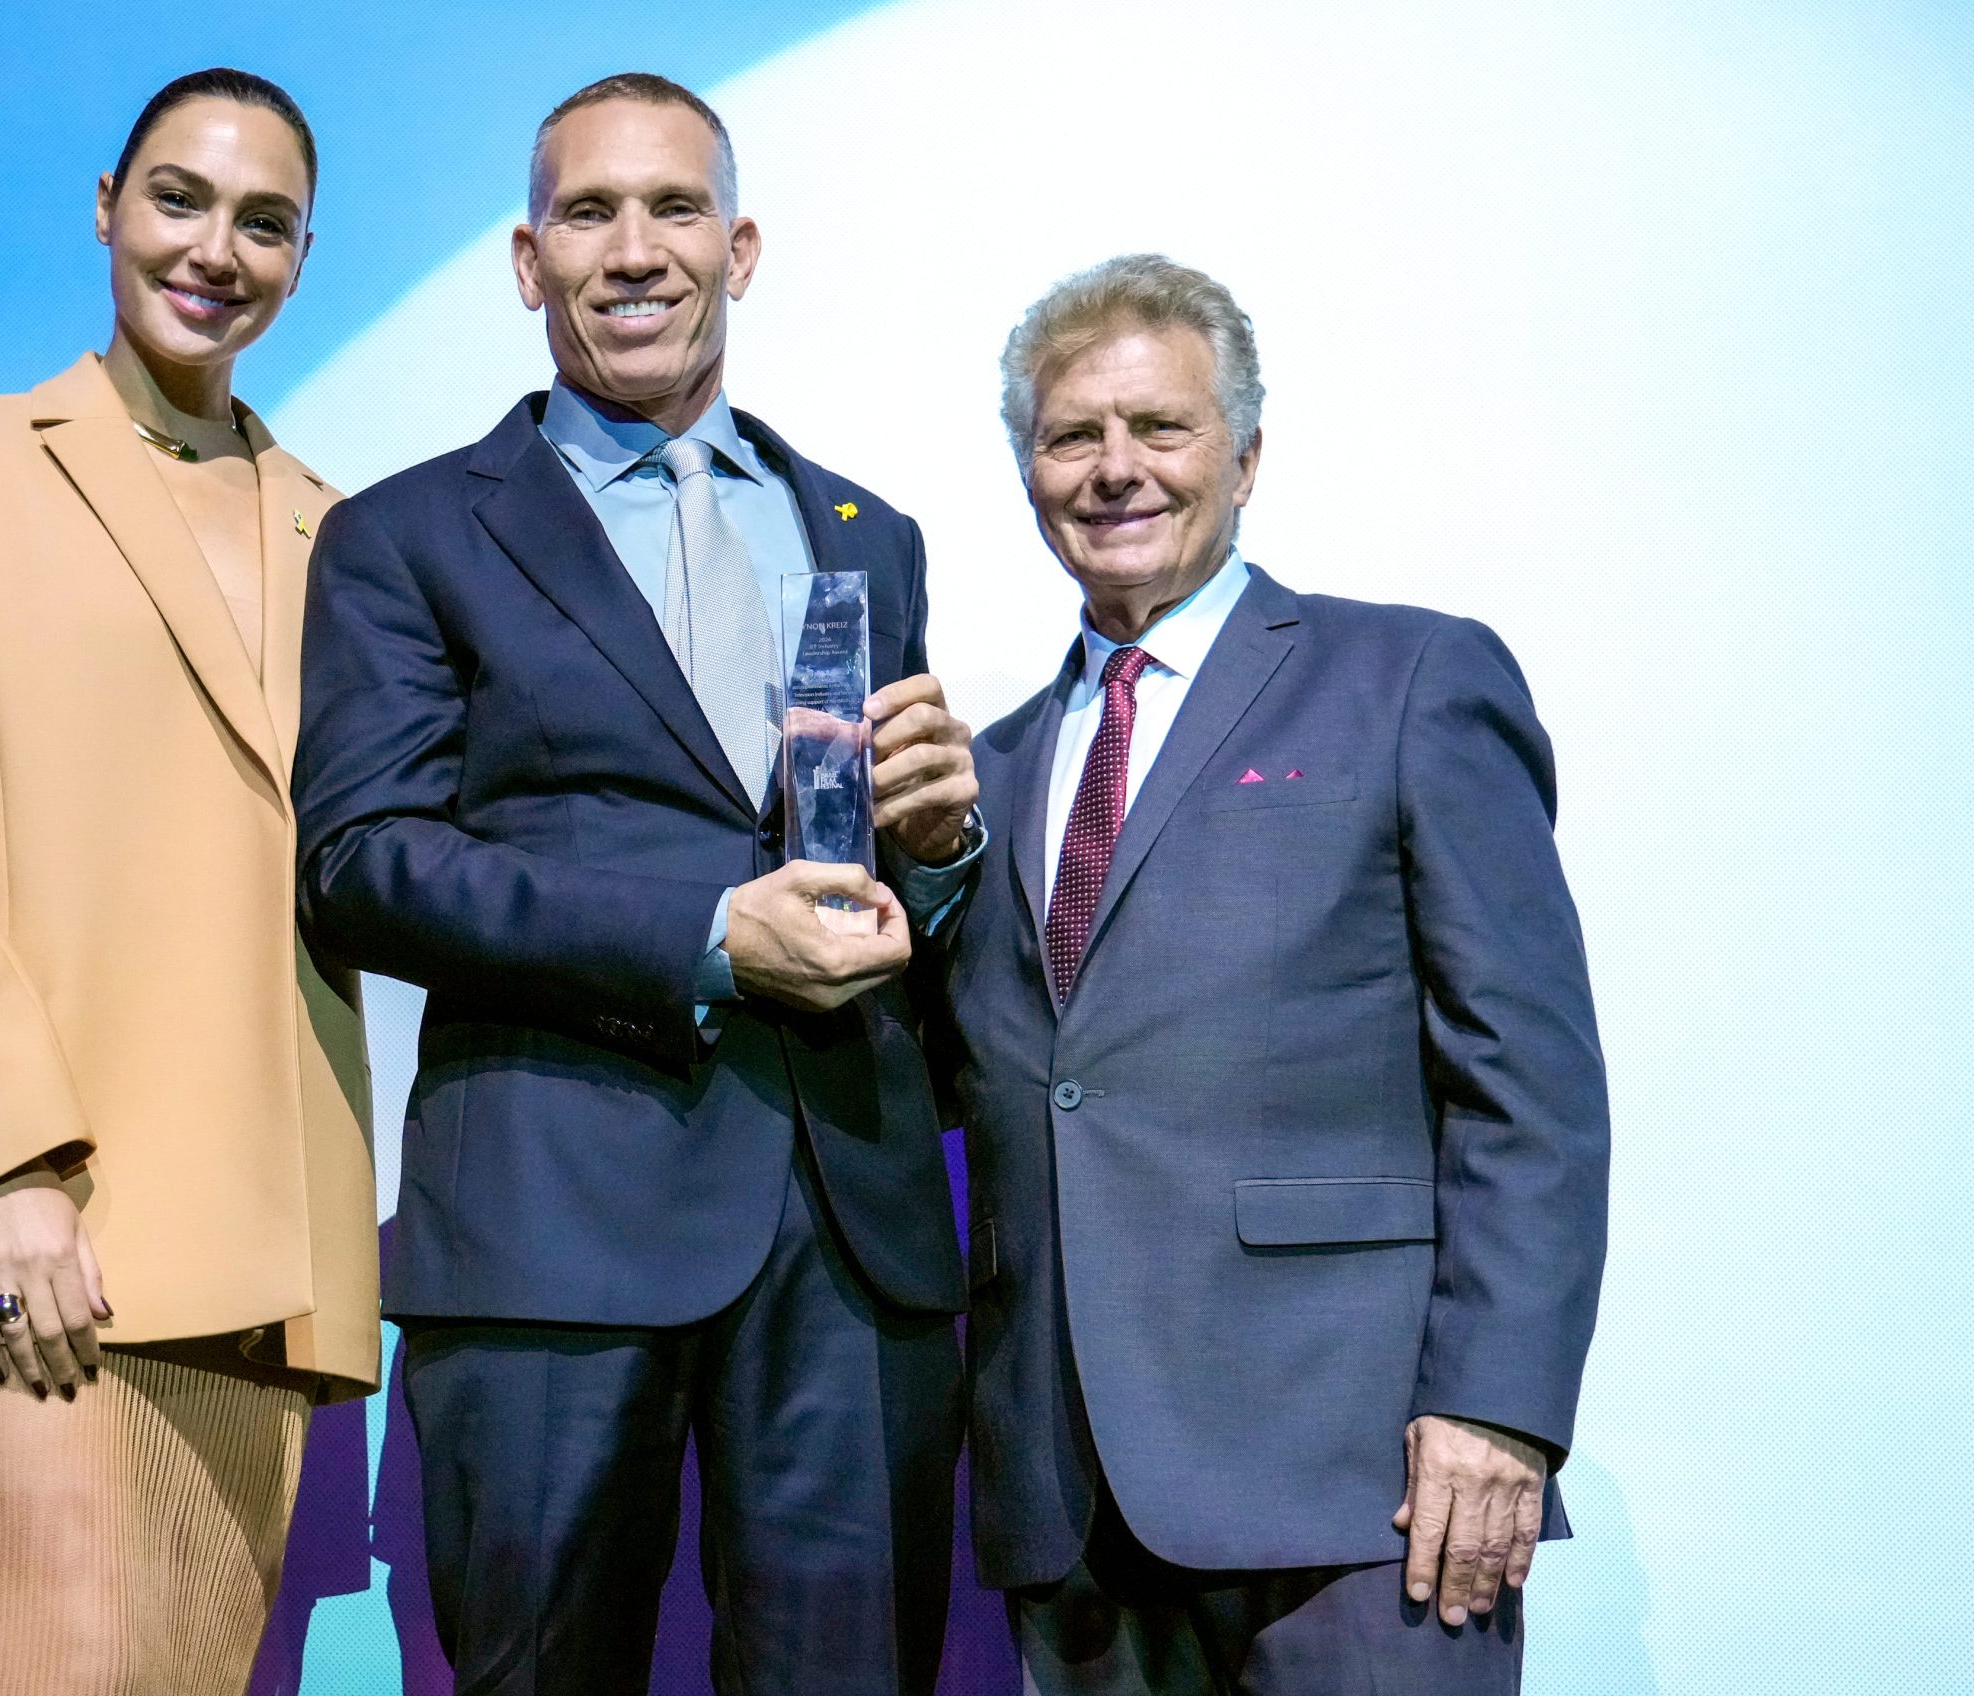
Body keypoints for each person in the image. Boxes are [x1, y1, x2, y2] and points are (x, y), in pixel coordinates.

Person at [293, 72, 982, 1696]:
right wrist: (699, 941)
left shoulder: (870, 533)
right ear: (527, 265)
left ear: (740, 249)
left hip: (846, 1223)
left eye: (674, 208)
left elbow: (880, 856)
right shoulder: (406, 537)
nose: (634, 250)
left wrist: (943, 861)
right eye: (587, 213)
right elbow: (363, 864)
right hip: (551, 1225)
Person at [936, 254, 1609, 1693]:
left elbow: (1530, 1083)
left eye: (1159, 430)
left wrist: (1496, 1411)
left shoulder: (1412, 679)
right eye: (1071, 437)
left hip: (1363, 1495)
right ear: (1028, 473)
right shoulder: (984, 778)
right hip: (1070, 1508)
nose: (1115, 470)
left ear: (1245, 456)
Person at [0, 68, 378, 1695]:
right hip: (45, 1241)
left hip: (269, 1273)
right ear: (106, 204)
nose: (218, 248)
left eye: (266, 222)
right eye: (182, 197)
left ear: (304, 255)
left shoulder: (345, 533)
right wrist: (3, 1173)